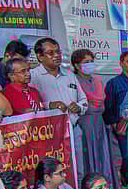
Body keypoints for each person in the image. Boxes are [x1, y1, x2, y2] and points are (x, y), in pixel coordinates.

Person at [31, 38, 88, 171]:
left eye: (58, 52)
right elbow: (30, 106)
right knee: (55, 171)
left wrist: (78, 107)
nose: (56, 55)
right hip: (50, 134)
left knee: (77, 169)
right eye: (50, 53)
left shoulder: (69, 75)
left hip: (73, 129)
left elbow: (83, 101)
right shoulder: (33, 76)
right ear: (40, 57)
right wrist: (49, 105)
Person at [71, 50, 117, 187]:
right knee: (87, 155)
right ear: (77, 65)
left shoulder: (97, 80)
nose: (90, 64)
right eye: (86, 62)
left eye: (91, 61)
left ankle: (105, 185)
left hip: (99, 121)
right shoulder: (74, 80)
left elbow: (102, 102)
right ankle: (90, 187)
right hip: (84, 122)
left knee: (102, 153)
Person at [104, 51, 128, 182]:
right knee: (126, 156)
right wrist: (115, 125)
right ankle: (127, 182)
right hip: (123, 126)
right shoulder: (114, 83)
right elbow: (109, 106)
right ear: (121, 64)